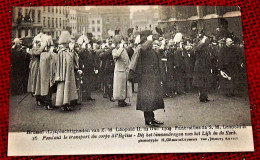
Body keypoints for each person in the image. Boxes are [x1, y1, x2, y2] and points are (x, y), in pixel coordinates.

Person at [129, 33, 165, 127]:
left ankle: (151, 118)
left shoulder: (150, 50)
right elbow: (143, 48)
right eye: (150, 40)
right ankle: (148, 120)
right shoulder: (142, 49)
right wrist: (149, 41)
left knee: (151, 100)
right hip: (145, 79)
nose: (152, 42)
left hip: (151, 79)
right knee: (147, 100)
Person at [55, 31, 78, 111]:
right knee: (63, 89)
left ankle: (67, 103)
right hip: (64, 73)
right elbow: (61, 64)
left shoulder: (68, 51)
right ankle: (64, 104)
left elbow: (73, 60)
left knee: (68, 89)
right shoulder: (61, 52)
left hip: (68, 73)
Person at [34, 35, 57, 110]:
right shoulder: (48, 55)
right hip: (48, 75)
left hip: (44, 75)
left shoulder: (43, 55)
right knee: (48, 90)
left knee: (44, 89)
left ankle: (44, 103)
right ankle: (48, 104)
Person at [191, 37, 213, 102]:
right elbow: (196, 49)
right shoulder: (199, 49)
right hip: (200, 67)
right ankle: (202, 98)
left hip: (205, 67)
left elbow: (208, 59)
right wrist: (202, 42)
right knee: (201, 83)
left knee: (205, 83)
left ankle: (205, 97)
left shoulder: (206, 49)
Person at [112, 40, 132, 107]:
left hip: (124, 70)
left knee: (124, 86)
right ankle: (120, 101)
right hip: (119, 71)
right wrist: (120, 48)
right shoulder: (114, 51)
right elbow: (116, 56)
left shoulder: (124, 50)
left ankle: (123, 100)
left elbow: (127, 60)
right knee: (119, 87)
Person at [27, 32, 44, 106]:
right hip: (36, 66)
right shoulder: (35, 49)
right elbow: (37, 53)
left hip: (37, 65)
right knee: (36, 82)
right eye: (38, 42)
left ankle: (39, 98)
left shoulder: (34, 49)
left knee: (38, 82)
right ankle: (38, 98)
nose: (38, 43)